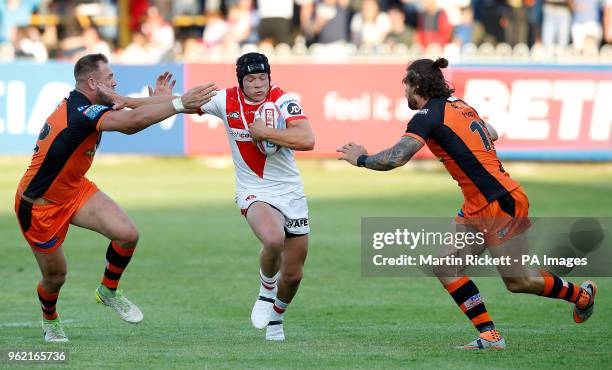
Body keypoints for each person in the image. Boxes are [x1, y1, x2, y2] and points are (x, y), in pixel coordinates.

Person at [337, 57, 597, 350]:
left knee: (519, 282)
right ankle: (490, 335)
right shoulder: (459, 105)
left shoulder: (427, 114)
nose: (404, 93)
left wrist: (360, 159)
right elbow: (492, 132)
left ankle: (581, 295)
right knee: (446, 266)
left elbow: (397, 157)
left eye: (406, 85)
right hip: (478, 203)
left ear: (417, 85)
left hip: (499, 203)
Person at [14, 53, 217, 342]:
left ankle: (108, 290)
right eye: (110, 78)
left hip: (74, 189)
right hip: (38, 207)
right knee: (56, 277)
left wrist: (167, 101)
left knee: (127, 234)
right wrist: (179, 103)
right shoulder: (81, 112)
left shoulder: (90, 102)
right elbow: (131, 121)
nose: (115, 82)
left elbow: (129, 105)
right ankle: (50, 320)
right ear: (93, 82)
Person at [197, 52, 315, 341]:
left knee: (294, 275)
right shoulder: (226, 100)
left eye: (263, 77)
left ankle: (276, 318)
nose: (258, 84)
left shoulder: (283, 99)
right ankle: (265, 291)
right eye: (251, 79)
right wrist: (139, 102)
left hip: (290, 192)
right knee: (273, 238)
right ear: (241, 81)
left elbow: (308, 140)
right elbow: (180, 106)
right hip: (253, 190)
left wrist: (267, 132)